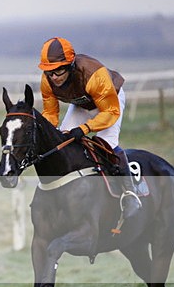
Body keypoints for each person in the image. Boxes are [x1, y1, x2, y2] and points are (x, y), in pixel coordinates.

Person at [38, 37, 141, 218]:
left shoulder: (94, 74)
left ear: (70, 65)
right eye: (49, 72)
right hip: (82, 103)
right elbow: (50, 114)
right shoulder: (47, 81)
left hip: (110, 102)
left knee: (106, 143)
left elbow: (110, 112)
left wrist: (86, 128)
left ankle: (130, 193)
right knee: (65, 140)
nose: (54, 77)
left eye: (58, 70)